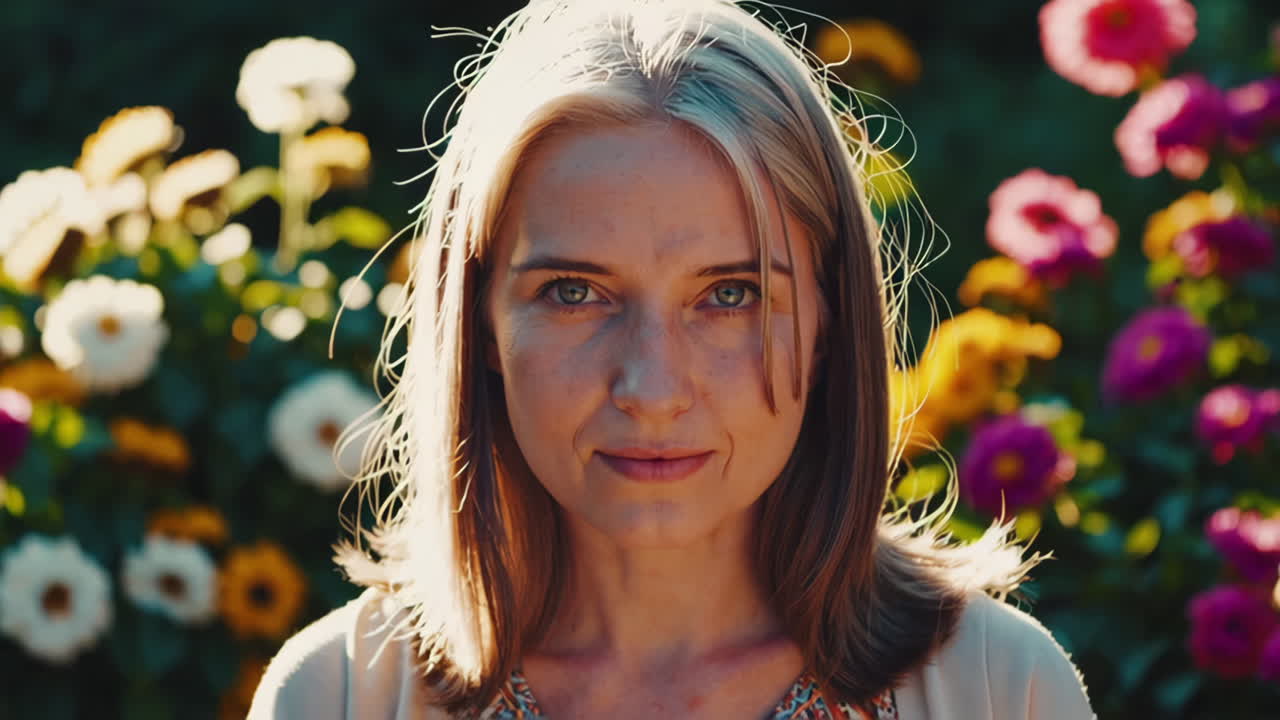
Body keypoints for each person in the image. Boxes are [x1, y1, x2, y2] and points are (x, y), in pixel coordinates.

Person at [249, 0, 1096, 717]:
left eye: (728, 295)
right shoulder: (338, 695)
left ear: (831, 321)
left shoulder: (997, 688)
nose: (652, 388)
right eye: (574, 292)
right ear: (478, 322)